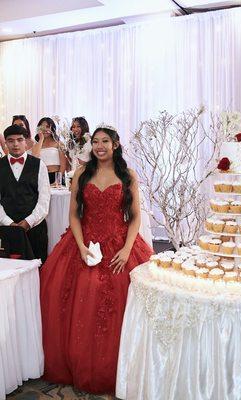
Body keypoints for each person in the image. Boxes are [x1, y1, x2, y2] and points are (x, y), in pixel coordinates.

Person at [40, 125, 153, 394]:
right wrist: (79, 246)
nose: (99, 146)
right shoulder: (81, 173)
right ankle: (79, 362)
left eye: (105, 141)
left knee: (120, 303)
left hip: (119, 243)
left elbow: (135, 216)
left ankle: (120, 368)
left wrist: (126, 250)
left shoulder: (128, 175)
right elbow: (74, 215)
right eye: (95, 142)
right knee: (77, 301)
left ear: (115, 144)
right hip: (85, 243)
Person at [0, 124, 50, 262]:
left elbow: (44, 200)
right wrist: (8, 223)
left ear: (26, 142)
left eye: (19, 140)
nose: (15, 144)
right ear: (5, 143)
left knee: (38, 270)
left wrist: (28, 222)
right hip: (5, 230)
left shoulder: (39, 165)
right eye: (10, 140)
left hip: (35, 229)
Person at [33, 117, 67, 184]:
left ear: (52, 128)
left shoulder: (59, 143)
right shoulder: (36, 145)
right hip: (41, 177)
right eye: (42, 127)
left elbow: (63, 164)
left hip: (56, 176)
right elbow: (35, 157)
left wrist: (57, 180)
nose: (45, 129)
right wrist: (41, 139)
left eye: (48, 126)